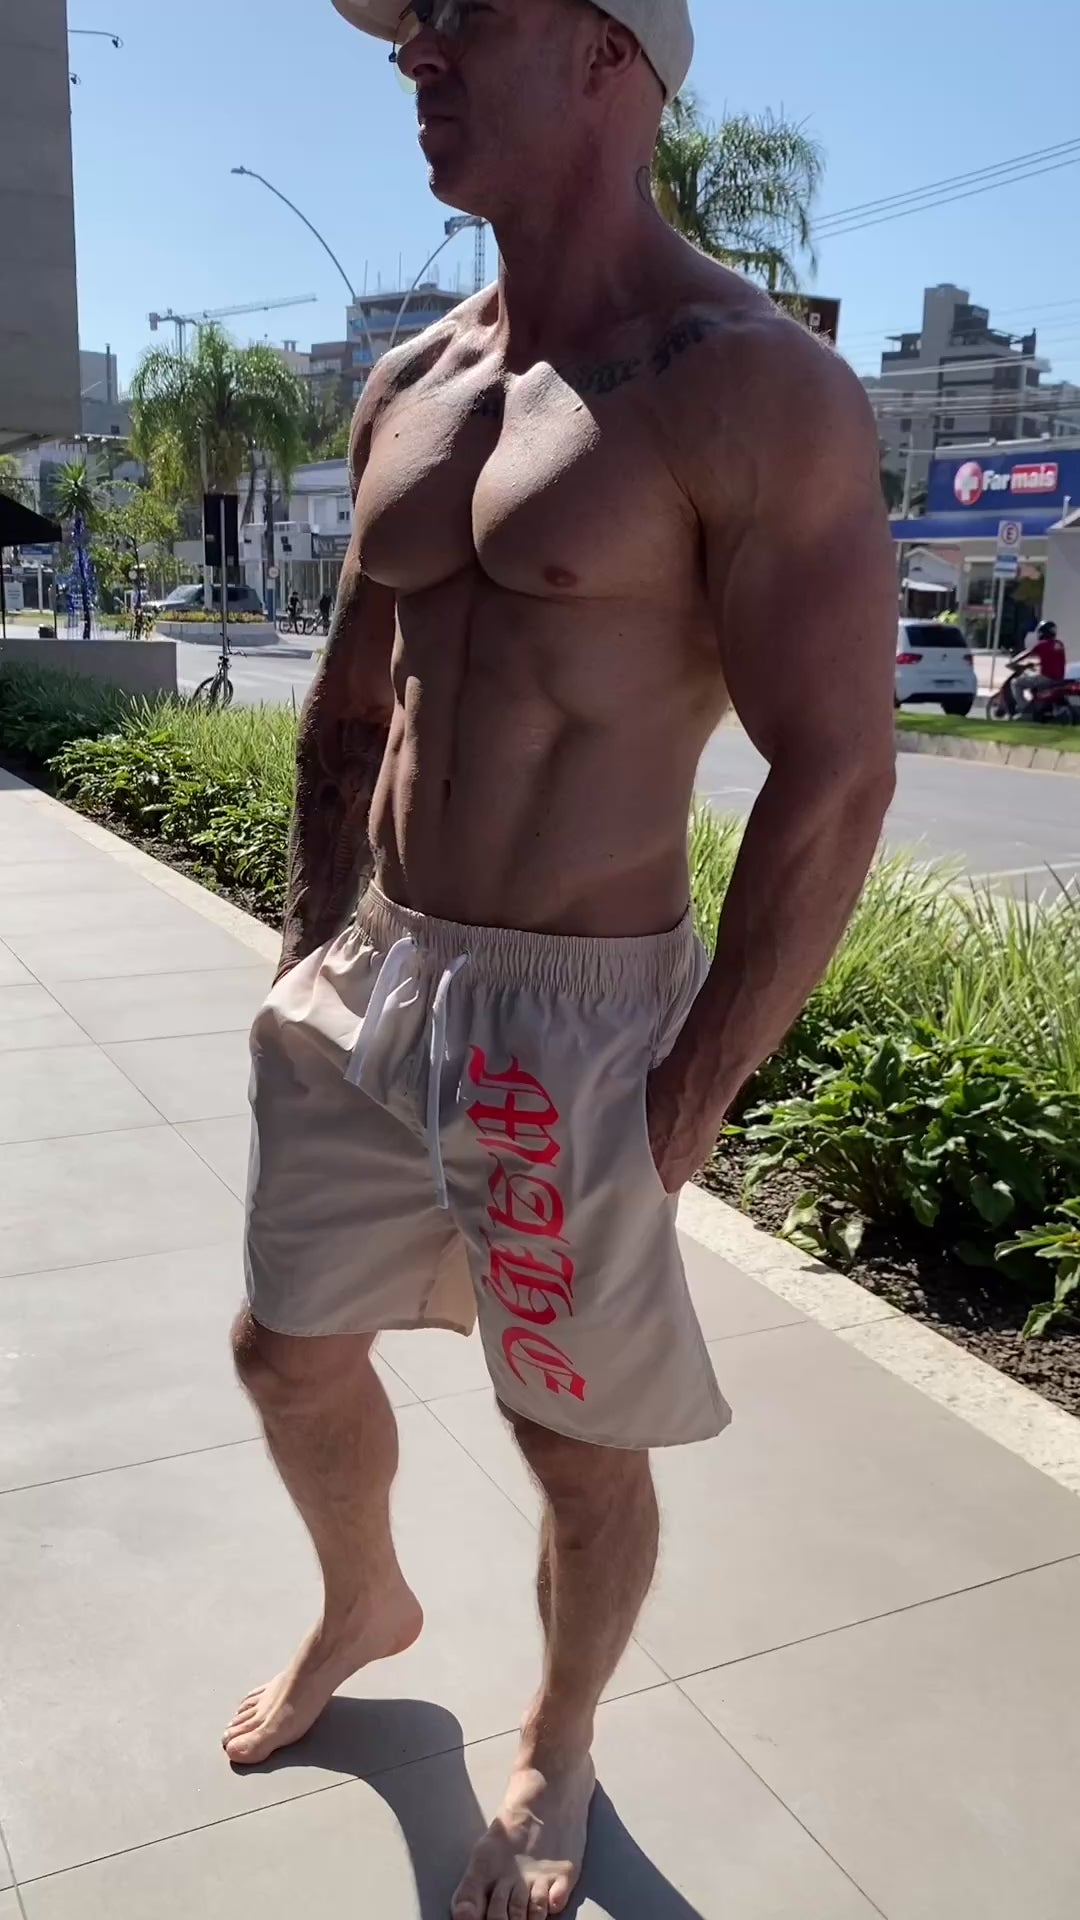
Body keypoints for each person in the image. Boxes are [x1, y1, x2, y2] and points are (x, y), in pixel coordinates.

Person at [226, 3, 897, 1914]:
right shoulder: (415, 379)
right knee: (283, 1354)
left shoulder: (749, 386)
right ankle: (366, 1599)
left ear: (613, 53)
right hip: (376, 966)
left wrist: (688, 1096)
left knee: (568, 1432)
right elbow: (352, 702)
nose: (415, 53)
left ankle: (563, 1733)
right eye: (411, 23)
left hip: (576, 1018)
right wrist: (308, 946)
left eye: (468, 12)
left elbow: (838, 771)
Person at [1009, 618, 1066, 714]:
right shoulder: (1059, 644)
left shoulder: (1042, 645)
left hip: (1047, 678)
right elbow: (1052, 660)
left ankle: (1024, 707)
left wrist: (1014, 661)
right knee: (1033, 681)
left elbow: (1026, 654)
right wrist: (1037, 664)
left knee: (1016, 683)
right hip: (1059, 678)